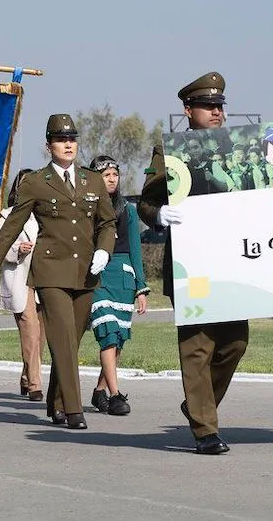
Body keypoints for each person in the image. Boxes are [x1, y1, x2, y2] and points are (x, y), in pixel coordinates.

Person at [0, 114, 116, 430]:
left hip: (86, 271)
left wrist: (104, 249)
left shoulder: (92, 180)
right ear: (49, 145)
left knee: (71, 341)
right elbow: (13, 224)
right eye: (61, 139)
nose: (68, 144)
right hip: (51, 271)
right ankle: (74, 410)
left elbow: (107, 222)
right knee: (63, 337)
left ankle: (56, 401)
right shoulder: (36, 182)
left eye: (72, 139)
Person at [138, 72, 249, 455]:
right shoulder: (169, 151)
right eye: (207, 106)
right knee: (198, 346)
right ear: (188, 110)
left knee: (235, 342)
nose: (216, 112)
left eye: (219, 106)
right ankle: (205, 430)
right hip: (191, 264)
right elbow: (146, 201)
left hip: (232, 262)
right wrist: (158, 214)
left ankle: (198, 404)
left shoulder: (236, 147)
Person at [88, 155, 149, 416]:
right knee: (108, 334)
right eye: (106, 175)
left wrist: (141, 287)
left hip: (123, 279)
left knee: (119, 340)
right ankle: (115, 396)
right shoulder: (85, 208)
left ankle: (100, 391)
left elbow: (135, 249)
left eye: (115, 174)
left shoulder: (128, 210)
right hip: (97, 278)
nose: (112, 179)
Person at [0, 168, 46, 401]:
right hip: (21, 281)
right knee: (31, 332)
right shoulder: (8, 215)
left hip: (46, 280)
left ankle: (26, 375)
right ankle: (34, 384)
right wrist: (17, 249)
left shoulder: (47, 213)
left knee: (41, 336)